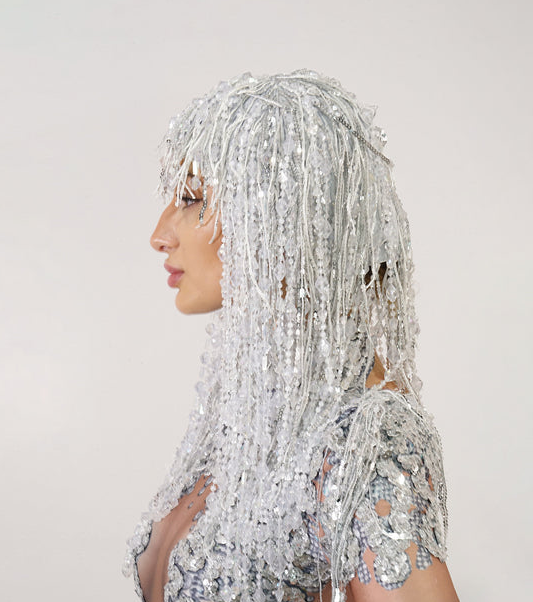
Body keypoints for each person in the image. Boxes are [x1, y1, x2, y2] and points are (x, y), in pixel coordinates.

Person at [123, 69, 460, 602]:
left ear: (278, 216)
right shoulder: (250, 415)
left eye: (190, 198)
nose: (160, 235)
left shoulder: (363, 440)